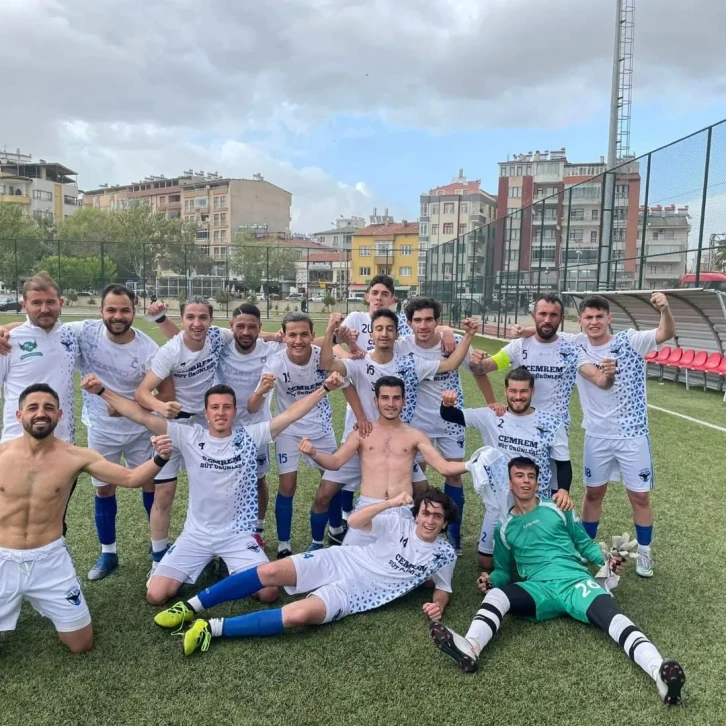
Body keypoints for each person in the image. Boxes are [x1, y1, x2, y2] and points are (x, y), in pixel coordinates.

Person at [428, 456, 686, 707]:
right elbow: (503, 571)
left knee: (615, 619)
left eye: (531, 477)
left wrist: (608, 560)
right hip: (539, 589)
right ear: (510, 483)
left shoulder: (558, 509)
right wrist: (491, 579)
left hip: (575, 582)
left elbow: (585, 545)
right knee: (496, 596)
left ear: (537, 483)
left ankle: (660, 675)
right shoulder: (503, 528)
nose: (526, 481)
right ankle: (471, 647)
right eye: (520, 476)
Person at [80, 372, 347, 604]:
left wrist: (324, 388)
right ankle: (209, 561)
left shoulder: (250, 436)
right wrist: (101, 391)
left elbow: (291, 414)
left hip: (237, 535)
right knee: (156, 595)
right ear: (206, 413)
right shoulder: (188, 435)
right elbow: (140, 415)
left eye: (227, 407)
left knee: (268, 593)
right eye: (215, 407)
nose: (221, 412)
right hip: (196, 535)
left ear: (234, 411)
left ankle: (230, 563)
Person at [152, 488, 458, 658]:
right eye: (425, 512)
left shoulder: (443, 553)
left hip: (358, 593)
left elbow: (443, 588)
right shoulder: (397, 523)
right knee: (270, 570)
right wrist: (390, 503)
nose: (429, 520)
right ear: (417, 514)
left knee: (297, 616)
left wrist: (438, 606)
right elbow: (354, 522)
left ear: (445, 523)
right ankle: (190, 607)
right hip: (341, 559)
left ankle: (211, 628)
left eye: (437, 516)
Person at [0, 383, 172, 653]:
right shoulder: (2, 455)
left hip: (49, 560)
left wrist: (160, 458)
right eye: (33, 408)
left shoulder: (75, 457)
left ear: (59, 415)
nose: (41, 413)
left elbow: (130, 478)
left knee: (81, 644)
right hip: (3, 558)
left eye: (48, 408)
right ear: (19, 415)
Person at [312, 312, 478, 548]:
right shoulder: (359, 362)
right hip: (361, 439)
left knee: (421, 492)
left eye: (390, 329)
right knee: (324, 494)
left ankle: (422, 540)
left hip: (396, 444)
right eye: (379, 329)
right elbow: (326, 364)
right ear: (371, 334)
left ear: (397, 334)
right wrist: (330, 329)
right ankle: (316, 542)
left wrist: (469, 335)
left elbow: (450, 364)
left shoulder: (410, 364)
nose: (384, 333)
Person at [72, 284, 174, 581]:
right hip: (101, 430)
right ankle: (108, 553)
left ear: (134, 310)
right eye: (111, 310)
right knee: (104, 489)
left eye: (124, 310)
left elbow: (166, 394)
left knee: (150, 486)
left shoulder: (147, 348)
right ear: (101, 310)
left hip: (140, 430)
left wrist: (129, 409)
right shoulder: (85, 332)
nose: (118, 316)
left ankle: (157, 547)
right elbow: (41, 329)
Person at [300, 376, 472, 548]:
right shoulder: (362, 433)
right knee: (352, 559)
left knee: (402, 560)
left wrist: (472, 464)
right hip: (369, 506)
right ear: (376, 401)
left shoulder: (415, 435)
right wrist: (314, 453)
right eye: (385, 398)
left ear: (404, 401)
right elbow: (335, 462)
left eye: (396, 398)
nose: (390, 403)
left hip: (402, 509)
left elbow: (444, 467)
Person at [574, 293, 675, 577]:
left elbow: (665, 332)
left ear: (609, 318)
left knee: (639, 496)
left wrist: (665, 309)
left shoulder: (630, 340)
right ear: (580, 320)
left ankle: (645, 552)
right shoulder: (576, 344)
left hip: (632, 434)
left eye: (599, 316)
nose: (594, 322)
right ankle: (586, 547)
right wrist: (524, 331)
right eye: (588, 317)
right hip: (596, 435)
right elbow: (546, 333)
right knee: (593, 493)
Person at [247, 312, 364, 559]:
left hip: (321, 429)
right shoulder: (276, 363)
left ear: (312, 336)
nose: (298, 340)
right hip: (288, 431)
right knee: (287, 486)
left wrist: (361, 418)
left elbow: (347, 386)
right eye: (292, 335)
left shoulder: (324, 358)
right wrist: (261, 391)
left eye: (304, 334)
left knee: (331, 482)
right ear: (284, 336)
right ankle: (284, 544)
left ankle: (336, 529)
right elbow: (253, 406)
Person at [440, 366, 577, 569]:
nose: (518, 396)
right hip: (499, 502)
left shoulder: (551, 423)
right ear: (505, 391)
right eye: (513, 391)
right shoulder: (492, 416)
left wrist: (564, 490)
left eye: (523, 391)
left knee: (535, 562)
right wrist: (446, 403)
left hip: (533, 502)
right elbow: (450, 415)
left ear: (532, 392)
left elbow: (563, 464)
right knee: (486, 563)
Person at [134, 296, 232, 571]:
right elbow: (141, 393)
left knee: (212, 492)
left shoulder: (217, 336)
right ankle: (158, 559)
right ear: (182, 320)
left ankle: (213, 550)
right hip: (172, 427)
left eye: (202, 317)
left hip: (203, 426)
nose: (197, 323)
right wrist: (160, 406)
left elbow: (247, 332)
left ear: (211, 320)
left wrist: (277, 336)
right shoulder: (170, 351)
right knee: (164, 494)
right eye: (190, 317)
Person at [397, 296, 497, 555]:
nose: (423, 325)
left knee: (453, 475)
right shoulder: (403, 346)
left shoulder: (452, 342)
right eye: (417, 320)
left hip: (450, 419)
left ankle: (454, 534)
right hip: (416, 421)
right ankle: (417, 532)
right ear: (409, 323)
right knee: (416, 479)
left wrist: (492, 403)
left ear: (437, 321)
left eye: (429, 320)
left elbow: (476, 369)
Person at [214, 303, 286, 545]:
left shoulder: (271, 349)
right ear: (231, 327)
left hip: (257, 428)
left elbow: (305, 343)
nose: (246, 332)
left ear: (259, 327)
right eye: (240, 326)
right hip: (224, 428)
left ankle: (258, 528)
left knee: (257, 479)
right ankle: (225, 529)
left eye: (252, 327)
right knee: (223, 481)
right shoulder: (220, 347)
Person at [470, 293, 581, 428]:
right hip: (521, 425)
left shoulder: (572, 344)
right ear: (533, 316)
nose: (547, 319)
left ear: (561, 318)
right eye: (542, 314)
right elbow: (482, 369)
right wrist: (477, 361)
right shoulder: (518, 346)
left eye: (553, 315)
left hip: (556, 427)